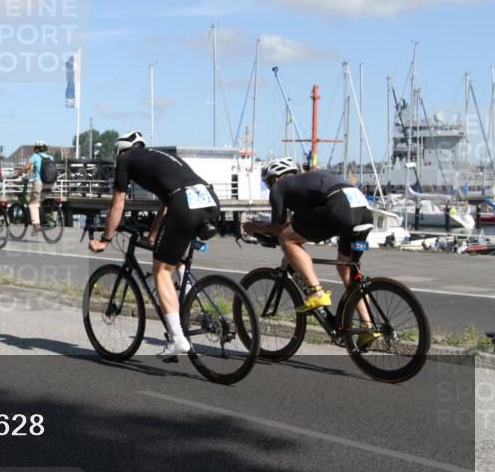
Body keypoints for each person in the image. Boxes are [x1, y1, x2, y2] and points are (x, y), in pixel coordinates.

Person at [88, 131, 221, 359]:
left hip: (184, 204)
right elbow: (166, 205)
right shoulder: (160, 157)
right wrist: (152, 236)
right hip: (209, 200)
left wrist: (105, 240)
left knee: (161, 271)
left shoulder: (125, 160)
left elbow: (117, 205)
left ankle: (177, 338)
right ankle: (190, 296)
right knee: (173, 255)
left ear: (120, 151)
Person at [243, 157, 375, 328]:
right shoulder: (306, 182)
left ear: (275, 178)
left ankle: (316, 292)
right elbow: (304, 221)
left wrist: (253, 227)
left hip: (340, 208)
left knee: (286, 239)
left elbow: (278, 228)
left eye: (267, 183)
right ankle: (368, 326)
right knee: (347, 269)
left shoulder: (278, 187)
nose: (269, 187)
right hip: (363, 211)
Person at [25, 141, 56, 235]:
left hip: (39, 183)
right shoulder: (50, 157)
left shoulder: (35, 156)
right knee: (39, 202)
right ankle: (46, 218)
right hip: (52, 184)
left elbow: (26, 167)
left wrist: (18, 173)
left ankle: (36, 225)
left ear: (36, 148)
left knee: (33, 204)